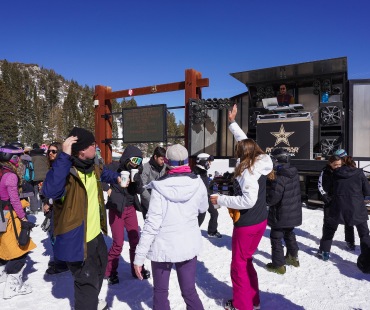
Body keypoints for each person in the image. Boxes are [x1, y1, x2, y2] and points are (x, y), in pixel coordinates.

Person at [42, 127, 121, 310]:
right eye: (93, 144)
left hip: (95, 236)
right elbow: (51, 191)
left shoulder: (92, 165)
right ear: (82, 150)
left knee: (99, 272)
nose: (96, 146)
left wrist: (117, 178)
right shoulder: (65, 172)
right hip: (77, 238)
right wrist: (63, 155)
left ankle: (90, 301)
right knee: (85, 282)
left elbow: (104, 173)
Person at [210, 104, 273, 310]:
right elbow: (245, 142)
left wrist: (221, 200)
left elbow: (247, 201)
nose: (237, 155)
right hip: (260, 221)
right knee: (246, 262)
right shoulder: (262, 159)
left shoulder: (248, 174)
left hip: (246, 224)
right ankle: (252, 301)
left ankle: (242, 305)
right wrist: (232, 123)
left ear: (243, 154)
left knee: (238, 267)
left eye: (238, 153)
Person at [134, 144, 208, 310]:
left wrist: (139, 257)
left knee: (160, 292)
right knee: (189, 291)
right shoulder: (198, 183)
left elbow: (152, 224)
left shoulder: (160, 187)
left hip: (163, 246)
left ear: (168, 162)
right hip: (187, 245)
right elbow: (203, 208)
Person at [104, 145, 151, 285]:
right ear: (126, 158)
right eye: (134, 159)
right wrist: (107, 188)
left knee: (135, 241)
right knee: (118, 243)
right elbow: (99, 175)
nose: (136, 163)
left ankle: (137, 269)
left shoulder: (136, 171)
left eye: (139, 160)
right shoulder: (114, 167)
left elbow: (138, 190)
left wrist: (136, 181)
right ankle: (110, 272)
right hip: (116, 209)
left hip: (130, 209)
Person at [317, 155, 370, 265]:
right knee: (364, 233)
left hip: (338, 206)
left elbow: (329, 189)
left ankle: (324, 253)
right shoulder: (359, 173)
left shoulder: (335, 173)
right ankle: (367, 257)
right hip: (357, 207)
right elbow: (367, 192)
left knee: (329, 229)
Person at [0, 145, 36, 299]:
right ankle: (12, 286)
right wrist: (23, 218)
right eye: (18, 156)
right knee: (19, 247)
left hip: (1, 213)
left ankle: (3, 275)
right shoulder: (10, 176)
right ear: (12, 158)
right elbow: (14, 199)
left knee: (3, 244)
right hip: (9, 215)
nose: (20, 159)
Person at [265, 148, 302, 275]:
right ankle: (293, 257)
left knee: (276, 237)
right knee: (289, 233)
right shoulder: (292, 172)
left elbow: (274, 197)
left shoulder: (280, 176)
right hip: (292, 212)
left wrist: (266, 200)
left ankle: (278, 265)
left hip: (280, 213)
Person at [41, 142, 69, 275]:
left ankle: (61, 263)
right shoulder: (53, 168)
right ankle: (60, 260)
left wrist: (50, 202)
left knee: (57, 235)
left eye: (54, 151)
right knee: (54, 234)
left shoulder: (62, 170)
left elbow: (62, 191)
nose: (50, 153)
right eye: (49, 151)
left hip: (60, 208)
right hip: (53, 207)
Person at [318, 154, 355, 251]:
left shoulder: (344, 170)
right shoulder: (325, 171)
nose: (338, 167)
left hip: (344, 200)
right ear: (330, 163)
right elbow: (320, 185)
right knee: (328, 223)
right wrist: (325, 196)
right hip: (330, 200)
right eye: (335, 165)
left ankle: (350, 241)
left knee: (348, 221)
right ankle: (325, 243)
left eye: (339, 164)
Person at [195, 152, 222, 238]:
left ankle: (212, 231)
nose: (210, 164)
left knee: (214, 213)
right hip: (200, 200)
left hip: (206, 197)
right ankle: (191, 232)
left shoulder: (203, 172)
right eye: (209, 162)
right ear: (203, 161)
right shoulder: (196, 172)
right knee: (200, 217)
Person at [140, 146, 167, 220]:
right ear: (155, 157)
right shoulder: (146, 167)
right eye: (161, 159)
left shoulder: (165, 167)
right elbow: (143, 187)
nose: (163, 161)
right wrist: (151, 203)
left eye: (164, 159)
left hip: (161, 202)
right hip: (148, 202)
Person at [29, 143, 49, 214]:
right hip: (44, 177)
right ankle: (43, 207)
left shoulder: (31, 157)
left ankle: (34, 209)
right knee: (43, 192)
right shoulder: (45, 157)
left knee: (34, 193)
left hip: (35, 177)